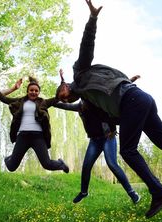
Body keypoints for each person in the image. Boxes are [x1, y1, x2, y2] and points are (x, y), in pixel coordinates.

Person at [55, 0, 162, 218]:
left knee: (128, 151)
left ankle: (159, 193)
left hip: (132, 99)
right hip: (139, 100)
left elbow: (86, 46)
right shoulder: (89, 102)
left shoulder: (80, 74)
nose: (65, 100)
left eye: (63, 96)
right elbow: (107, 112)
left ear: (65, 86)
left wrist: (92, 18)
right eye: (63, 101)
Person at [55, 70, 141, 204]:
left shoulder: (96, 102)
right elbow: (63, 104)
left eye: (65, 97)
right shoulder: (79, 107)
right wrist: (48, 102)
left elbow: (111, 92)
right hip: (95, 140)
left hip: (108, 137)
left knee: (112, 164)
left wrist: (130, 81)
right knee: (86, 166)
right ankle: (84, 192)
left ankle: (132, 193)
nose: (66, 100)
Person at [0, 75, 69, 173]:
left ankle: (61, 164)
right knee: (11, 167)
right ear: (27, 91)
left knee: (47, 164)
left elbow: (58, 97)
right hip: (23, 136)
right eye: (31, 90)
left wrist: (62, 81)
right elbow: (3, 99)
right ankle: (9, 158)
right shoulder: (19, 101)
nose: (33, 92)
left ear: (38, 92)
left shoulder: (43, 102)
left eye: (36, 91)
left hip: (38, 137)